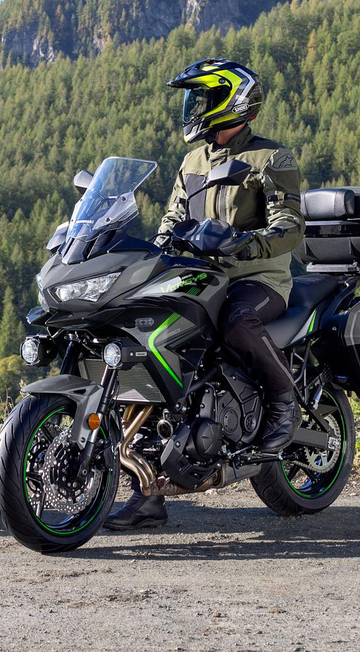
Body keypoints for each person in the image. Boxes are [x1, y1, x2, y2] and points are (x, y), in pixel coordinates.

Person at [105, 58, 305, 532]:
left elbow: (291, 226)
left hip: (257, 279)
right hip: (198, 277)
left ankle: (284, 400)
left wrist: (245, 243)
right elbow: (172, 220)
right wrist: (152, 252)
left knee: (236, 322)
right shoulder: (192, 162)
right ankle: (148, 492)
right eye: (193, 99)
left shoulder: (272, 159)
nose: (193, 107)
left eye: (202, 98)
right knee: (153, 351)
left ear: (231, 102)